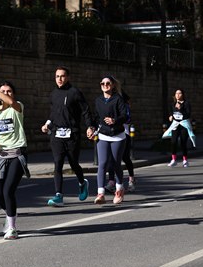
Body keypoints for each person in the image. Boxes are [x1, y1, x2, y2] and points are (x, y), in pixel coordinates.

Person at [41, 66, 95, 207]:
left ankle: (82, 183)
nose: (60, 79)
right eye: (57, 76)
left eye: (62, 76)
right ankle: (58, 195)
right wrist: (47, 124)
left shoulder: (74, 92)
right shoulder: (53, 94)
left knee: (73, 163)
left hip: (72, 134)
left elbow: (86, 111)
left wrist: (90, 126)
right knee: (58, 163)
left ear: (68, 77)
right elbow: (53, 113)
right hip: (57, 134)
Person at [0, 80, 29, 240]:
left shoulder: (17, 107)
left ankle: (12, 228)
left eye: (9, 91)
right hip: (1, 156)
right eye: (3, 91)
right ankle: (10, 215)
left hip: (17, 154)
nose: (6, 93)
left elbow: (9, 101)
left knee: (8, 190)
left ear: (13, 94)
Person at [88, 76, 128, 204]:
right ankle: (101, 194)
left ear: (113, 85)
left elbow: (125, 116)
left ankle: (119, 190)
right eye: (102, 83)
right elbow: (96, 118)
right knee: (103, 164)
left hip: (117, 136)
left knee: (116, 164)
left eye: (108, 83)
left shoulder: (118, 99)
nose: (105, 85)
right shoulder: (98, 100)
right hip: (103, 135)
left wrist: (114, 120)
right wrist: (91, 128)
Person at [105, 85, 136, 193]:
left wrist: (116, 119)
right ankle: (111, 181)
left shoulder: (124, 105)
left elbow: (127, 118)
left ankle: (131, 179)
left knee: (125, 157)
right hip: (111, 133)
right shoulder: (108, 103)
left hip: (124, 133)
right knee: (111, 158)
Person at [166, 89, 193, 167]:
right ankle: (173, 160)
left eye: (179, 93)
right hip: (175, 125)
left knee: (183, 142)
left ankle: (185, 160)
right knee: (173, 142)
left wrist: (180, 108)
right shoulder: (172, 104)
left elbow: (188, 114)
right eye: (176, 93)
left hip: (184, 125)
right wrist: (170, 116)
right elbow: (171, 113)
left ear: (183, 95)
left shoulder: (186, 103)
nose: (177, 95)